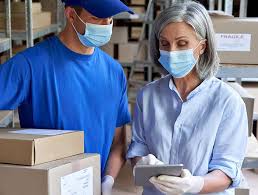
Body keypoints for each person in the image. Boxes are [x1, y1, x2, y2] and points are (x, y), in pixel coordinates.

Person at [0, 0, 133, 194]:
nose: (106, 26)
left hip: (93, 187)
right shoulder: (29, 65)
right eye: (97, 18)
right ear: (71, 15)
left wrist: (108, 181)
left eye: (110, 19)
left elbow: (118, 142)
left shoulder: (114, 72)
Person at [127, 1, 248, 195]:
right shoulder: (148, 96)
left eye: (182, 43)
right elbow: (137, 149)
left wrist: (194, 184)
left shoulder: (228, 102)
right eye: (164, 44)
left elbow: (226, 170)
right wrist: (142, 162)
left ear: (202, 47)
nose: (172, 52)